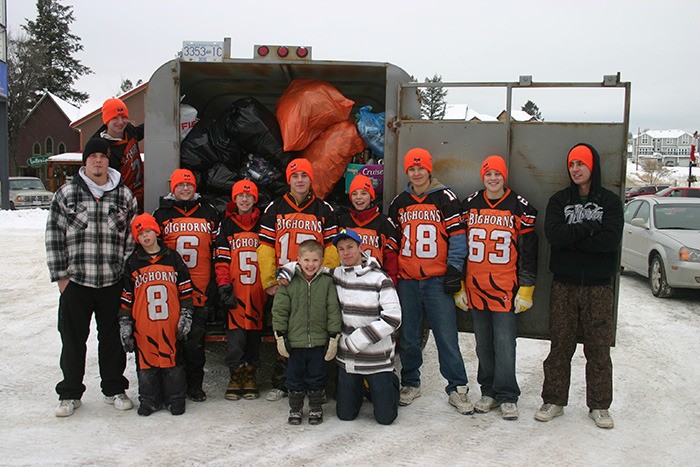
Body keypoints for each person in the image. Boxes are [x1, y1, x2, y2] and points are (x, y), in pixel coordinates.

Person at [46, 137, 138, 417]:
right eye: (93, 156)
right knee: (73, 339)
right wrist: (61, 277)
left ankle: (114, 389)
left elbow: (131, 240)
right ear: (85, 161)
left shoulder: (124, 196)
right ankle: (70, 393)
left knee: (112, 339)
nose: (98, 160)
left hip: (112, 281)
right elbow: (53, 235)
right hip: (77, 282)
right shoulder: (67, 194)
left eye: (103, 156)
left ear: (109, 161)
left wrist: (125, 275)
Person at [534, 143, 623, 429]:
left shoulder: (609, 202)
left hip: (599, 287)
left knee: (598, 349)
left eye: (581, 164)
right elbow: (554, 235)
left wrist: (573, 238)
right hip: (565, 285)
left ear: (592, 167)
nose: (575, 169)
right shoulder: (560, 201)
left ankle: (599, 406)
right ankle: (554, 400)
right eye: (572, 164)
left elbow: (610, 241)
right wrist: (588, 228)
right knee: (560, 345)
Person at [387, 147, 472, 414]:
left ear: (429, 169)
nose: (416, 173)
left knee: (447, 336)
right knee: (409, 336)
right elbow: (392, 242)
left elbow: (458, 236)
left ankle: (457, 387)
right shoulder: (399, 201)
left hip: (436, 280)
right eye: (412, 169)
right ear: (407, 172)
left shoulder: (444, 197)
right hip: (409, 279)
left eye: (420, 168)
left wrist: (454, 269)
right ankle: (411, 382)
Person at [457, 155, 538, 421]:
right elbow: (458, 246)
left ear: (505, 177)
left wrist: (526, 287)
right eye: (489, 174)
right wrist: (459, 283)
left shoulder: (519, 206)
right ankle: (488, 390)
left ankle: (507, 395)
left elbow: (529, 251)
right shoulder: (469, 204)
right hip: (476, 285)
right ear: (483, 176)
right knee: (483, 344)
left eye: (498, 174)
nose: (493, 179)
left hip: (505, 286)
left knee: (504, 343)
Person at [257, 158, 339, 401]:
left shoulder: (325, 209)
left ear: (310, 179)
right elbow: (265, 247)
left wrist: (327, 277)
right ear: (288, 179)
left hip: (313, 281)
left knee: (314, 332)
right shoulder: (274, 208)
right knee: (283, 332)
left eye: (304, 175)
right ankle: (283, 383)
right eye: (295, 176)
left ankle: (316, 385)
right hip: (286, 282)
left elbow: (332, 249)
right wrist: (269, 280)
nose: (300, 180)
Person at [119, 213, 194, 416]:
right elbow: (127, 296)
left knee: (173, 362)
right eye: (141, 233)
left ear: (156, 232)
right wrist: (125, 322)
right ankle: (149, 399)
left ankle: (175, 398)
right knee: (146, 363)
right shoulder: (133, 263)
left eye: (149, 231)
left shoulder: (173, 257)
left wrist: (186, 313)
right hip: (144, 323)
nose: (146, 236)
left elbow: (186, 288)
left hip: (170, 321)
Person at [153, 168, 218, 402]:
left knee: (195, 342)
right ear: (173, 187)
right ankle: (173, 387)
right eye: (180, 185)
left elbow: (217, 251)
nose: (185, 188)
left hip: (199, 288)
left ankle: (195, 386)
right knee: (171, 340)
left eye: (189, 185)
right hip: (171, 288)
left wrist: (214, 282)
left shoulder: (209, 212)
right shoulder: (161, 214)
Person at [331, 228, 402, 425]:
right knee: (345, 415)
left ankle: (390, 383)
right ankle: (361, 388)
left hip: (376, 360)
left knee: (386, 418)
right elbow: (309, 267)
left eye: (350, 247)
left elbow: (393, 318)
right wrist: (288, 270)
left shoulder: (380, 279)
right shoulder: (337, 274)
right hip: (349, 361)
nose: (346, 252)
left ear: (361, 248)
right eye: (341, 249)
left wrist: (359, 339)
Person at [271, 240, 341, 425]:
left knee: (317, 376)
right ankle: (295, 408)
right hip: (295, 342)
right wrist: (280, 335)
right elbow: (279, 310)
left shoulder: (327, 282)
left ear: (322, 260)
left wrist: (334, 336)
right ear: (298, 260)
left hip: (319, 341)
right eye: (307, 260)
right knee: (294, 377)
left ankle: (315, 407)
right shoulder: (288, 281)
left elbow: (333, 309)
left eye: (315, 260)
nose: (311, 264)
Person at [214, 180, 267, 401]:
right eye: (240, 196)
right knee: (235, 338)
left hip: (257, 290)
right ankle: (235, 374)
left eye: (249, 196)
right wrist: (224, 285)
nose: (244, 200)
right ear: (234, 200)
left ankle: (250, 374)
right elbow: (221, 260)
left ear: (255, 199)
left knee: (254, 336)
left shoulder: (263, 224)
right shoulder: (226, 225)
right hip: (236, 289)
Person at [336, 174, 399, 285]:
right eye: (354, 194)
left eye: (364, 193)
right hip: (348, 282)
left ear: (371, 196)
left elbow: (391, 259)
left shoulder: (384, 223)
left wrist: (390, 283)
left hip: (375, 283)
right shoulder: (342, 221)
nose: (359, 197)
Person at [93, 98, 145, 211]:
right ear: (106, 120)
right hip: (123, 202)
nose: (120, 122)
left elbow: (144, 130)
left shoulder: (129, 130)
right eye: (115, 118)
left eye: (123, 117)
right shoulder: (102, 148)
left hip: (142, 192)